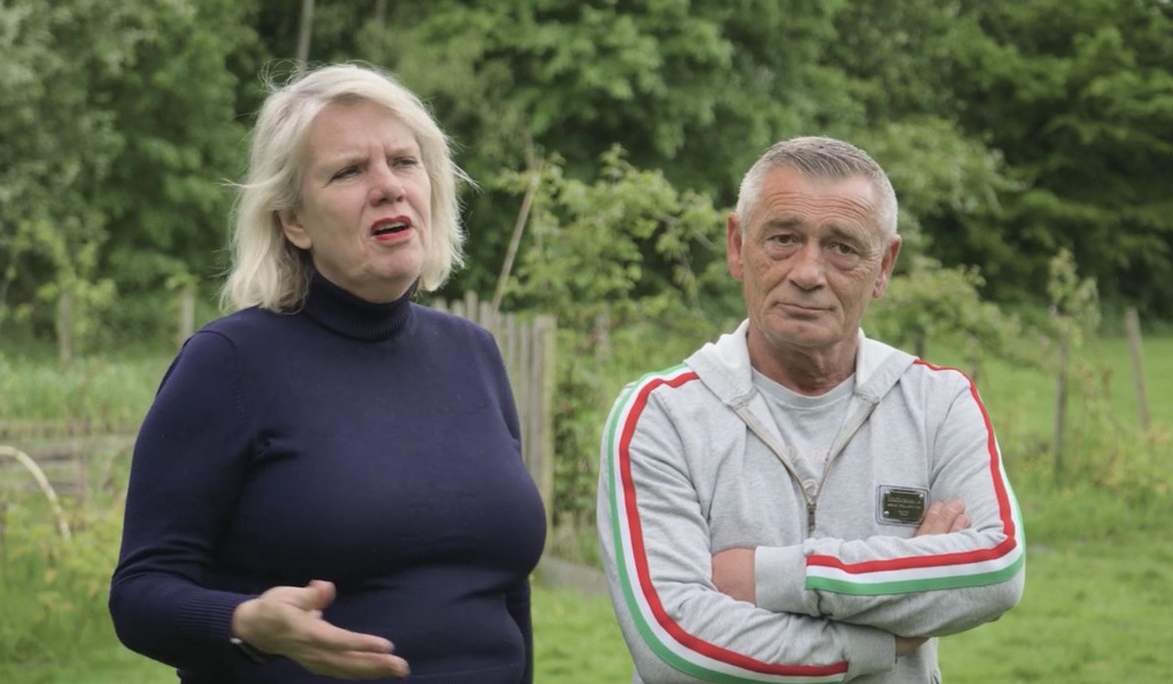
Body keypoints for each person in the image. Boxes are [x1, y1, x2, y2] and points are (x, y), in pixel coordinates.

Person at [109, 63, 547, 683]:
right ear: (294, 221)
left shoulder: (472, 353)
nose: (388, 186)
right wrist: (246, 623)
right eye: (348, 171)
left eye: (404, 161)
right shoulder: (229, 363)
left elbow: (505, 592)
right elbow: (138, 595)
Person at [597, 136, 1024, 683]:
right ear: (737, 245)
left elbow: (995, 569)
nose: (808, 271)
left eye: (843, 247)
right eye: (783, 238)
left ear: (885, 266)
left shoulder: (938, 403)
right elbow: (678, 648)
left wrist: (768, 576)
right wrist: (886, 635)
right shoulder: (660, 417)